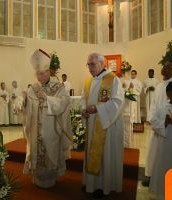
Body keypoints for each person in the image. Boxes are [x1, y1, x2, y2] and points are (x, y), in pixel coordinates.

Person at [23, 49, 72, 188]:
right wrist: (23, 102)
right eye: (38, 73)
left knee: (50, 153)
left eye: (43, 73)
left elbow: (64, 102)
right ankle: (37, 178)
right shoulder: (33, 88)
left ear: (49, 72)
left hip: (51, 129)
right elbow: (28, 109)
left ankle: (50, 179)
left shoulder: (58, 87)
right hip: (35, 129)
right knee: (35, 151)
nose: (40, 76)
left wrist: (47, 98)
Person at [81, 53, 124, 198]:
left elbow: (118, 102)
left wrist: (97, 109)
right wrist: (84, 111)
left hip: (106, 126)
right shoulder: (88, 81)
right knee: (91, 153)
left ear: (102, 63)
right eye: (88, 64)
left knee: (105, 154)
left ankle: (104, 186)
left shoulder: (113, 79)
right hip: (92, 123)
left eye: (92, 64)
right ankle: (91, 184)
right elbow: (83, 99)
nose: (89, 68)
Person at [143, 61, 172, 187]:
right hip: (157, 124)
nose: (165, 69)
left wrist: (170, 119)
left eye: (168, 67)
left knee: (166, 153)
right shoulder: (160, 85)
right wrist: (152, 119)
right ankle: (152, 176)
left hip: (170, 124)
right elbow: (154, 103)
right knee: (154, 151)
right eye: (164, 67)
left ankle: (167, 178)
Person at [121, 69, 135, 147]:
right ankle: (124, 144)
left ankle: (126, 144)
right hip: (122, 112)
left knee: (126, 129)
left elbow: (129, 96)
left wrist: (130, 89)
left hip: (126, 112)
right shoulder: (121, 89)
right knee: (123, 130)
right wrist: (130, 89)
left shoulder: (128, 88)